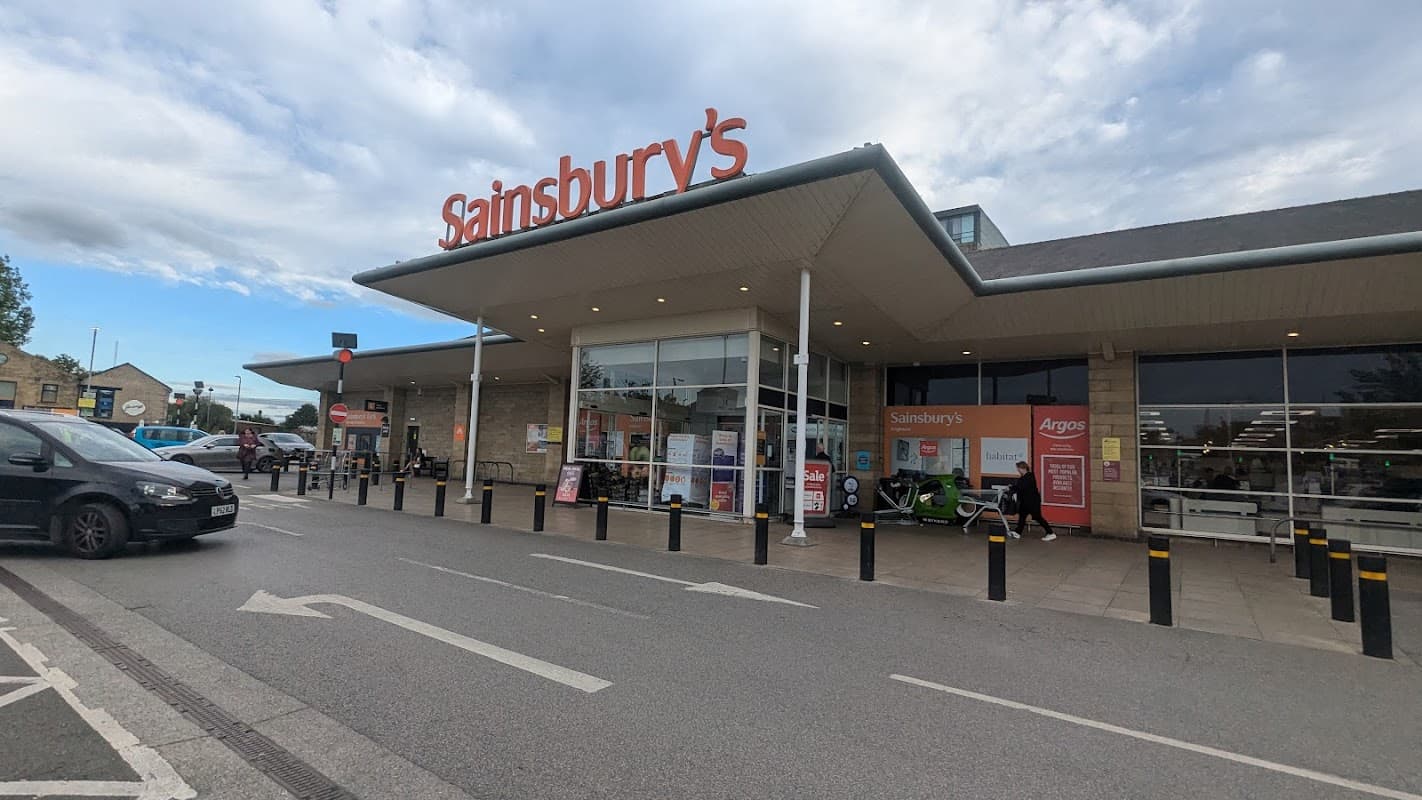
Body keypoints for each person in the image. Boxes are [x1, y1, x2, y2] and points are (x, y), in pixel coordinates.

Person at [1007, 460, 1056, 541]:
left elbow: (1021, 487)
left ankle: (1050, 533)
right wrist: (1012, 487)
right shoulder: (1025, 477)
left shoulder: (1029, 477)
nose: (1018, 470)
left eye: (1018, 468)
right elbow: (1020, 487)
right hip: (1026, 502)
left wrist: (1011, 488)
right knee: (1022, 517)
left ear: (1022, 468)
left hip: (1032, 502)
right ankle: (1018, 532)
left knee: (1037, 517)